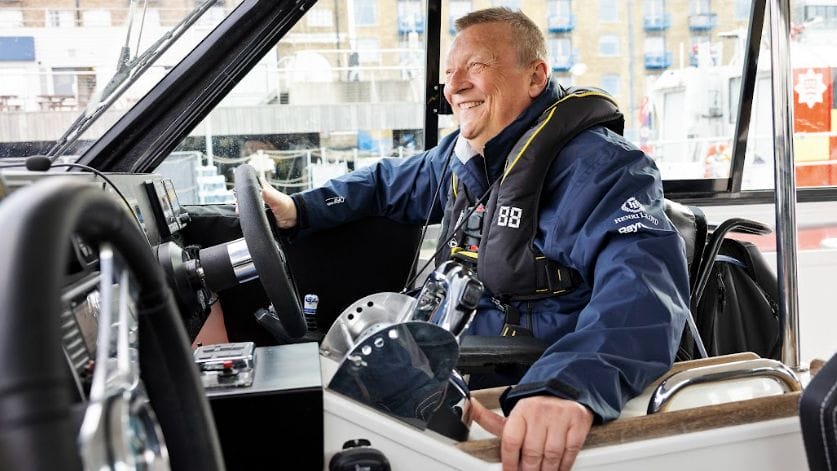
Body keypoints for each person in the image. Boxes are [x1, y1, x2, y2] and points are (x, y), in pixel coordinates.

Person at [263, 7, 689, 470]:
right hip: (450, 360)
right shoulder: (465, 155)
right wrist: (300, 208)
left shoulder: (602, 168)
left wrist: (568, 386)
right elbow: (386, 182)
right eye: (450, 72)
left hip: (518, 379)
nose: (455, 85)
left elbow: (644, 287)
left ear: (535, 76)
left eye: (477, 66)